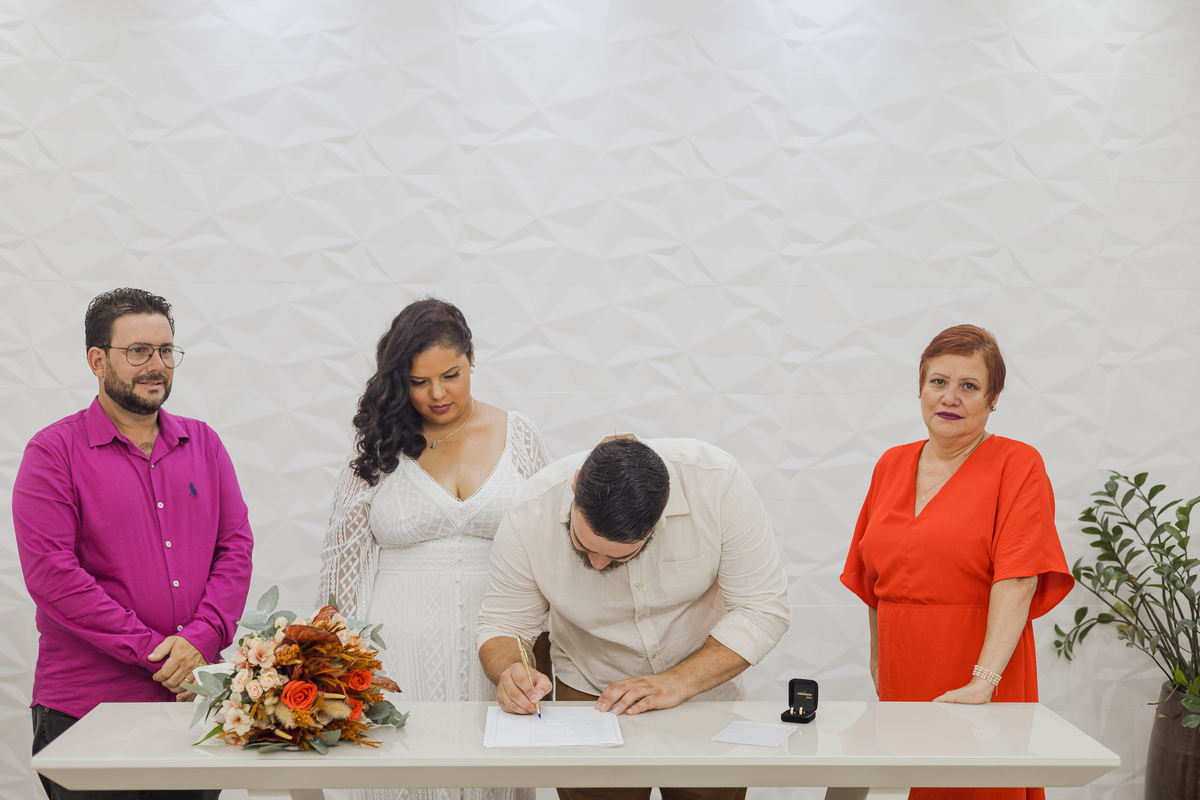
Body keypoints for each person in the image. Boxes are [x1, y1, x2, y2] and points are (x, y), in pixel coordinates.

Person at [13, 288, 254, 800]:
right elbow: (52, 576)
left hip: (191, 707)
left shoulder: (204, 443)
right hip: (87, 713)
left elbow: (234, 548)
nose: (156, 365)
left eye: (167, 351)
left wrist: (203, 639)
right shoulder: (52, 453)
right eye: (139, 351)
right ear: (97, 360)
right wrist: (157, 654)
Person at [318, 298, 550, 800]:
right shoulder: (381, 446)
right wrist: (341, 670)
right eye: (418, 382)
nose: (437, 394)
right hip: (399, 650)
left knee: (493, 776)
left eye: (451, 375)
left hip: (502, 647)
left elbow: (549, 550)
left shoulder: (520, 435)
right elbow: (343, 574)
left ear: (472, 358)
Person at [476, 435, 790, 800]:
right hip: (591, 696)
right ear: (577, 486)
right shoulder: (530, 511)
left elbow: (763, 608)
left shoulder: (716, 482)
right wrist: (510, 669)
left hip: (703, 694)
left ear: (659, 520)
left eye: (618, 556)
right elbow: (503, 624)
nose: (596, 563)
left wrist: (678, 681)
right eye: (584, 544)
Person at [840, 324, 1074, 800]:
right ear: (921, 387)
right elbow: (873, 580)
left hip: (981, 667)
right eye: (938, 382)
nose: (951, 398)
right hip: (904, 666)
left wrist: (982, 682)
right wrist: (878, 661)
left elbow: (1019, 577)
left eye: (970, 386)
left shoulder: (1018, 463)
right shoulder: (890, 463)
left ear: (993, 399)